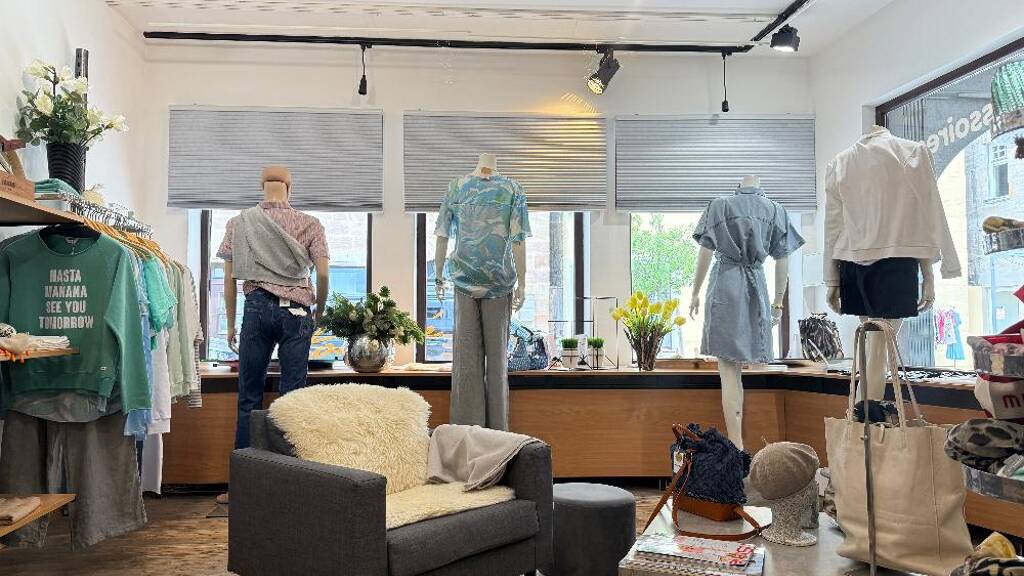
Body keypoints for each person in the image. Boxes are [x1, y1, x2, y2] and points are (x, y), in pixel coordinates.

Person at [214, 165, 329, 505]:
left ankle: (242, 487)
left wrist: (231, 324)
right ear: (289, 188)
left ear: (262, 186)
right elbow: (323, 273)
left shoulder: (239, 222)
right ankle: (291, 486)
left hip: (257, 309)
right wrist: (320, 311)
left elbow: (229, 279)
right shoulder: (310, 223)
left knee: (249, 397)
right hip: (297, 312)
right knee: (293, 399)